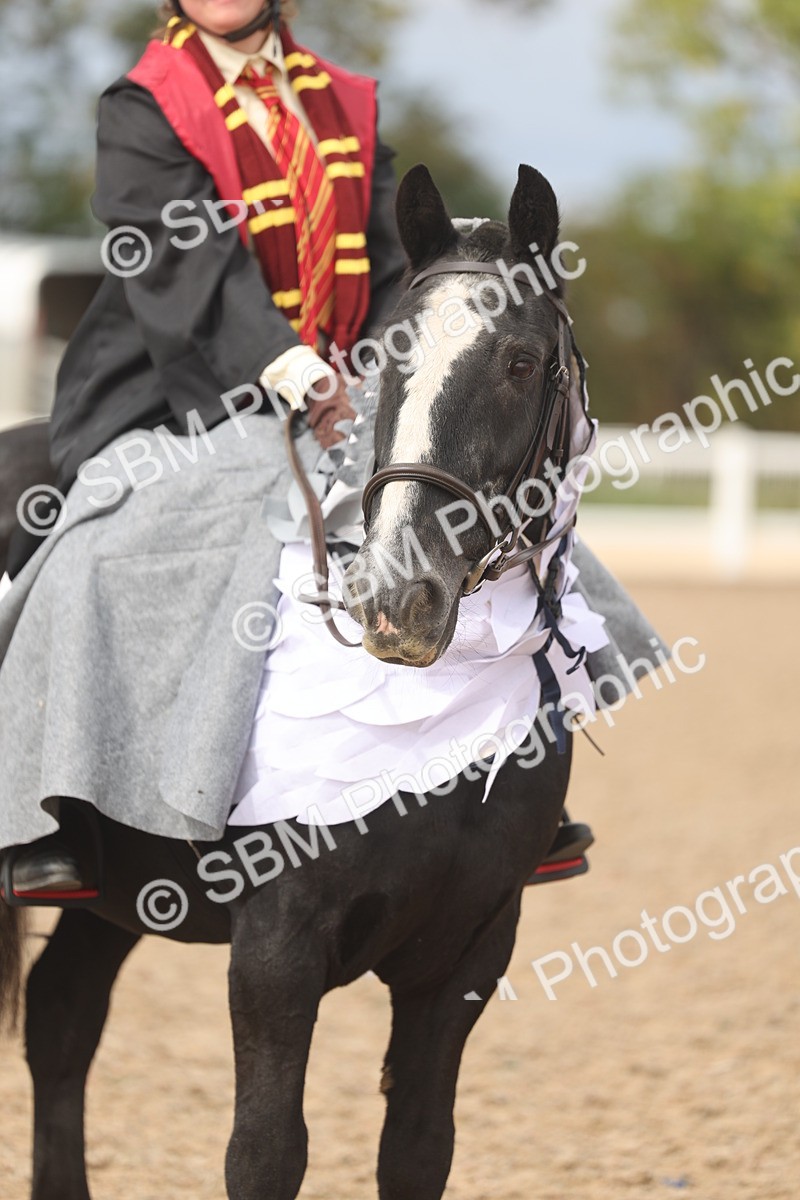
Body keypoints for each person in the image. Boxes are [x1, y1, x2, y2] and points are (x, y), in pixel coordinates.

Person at [0, 0, 652, 897]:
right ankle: (46, 819)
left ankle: (521, 789)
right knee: (91, 556)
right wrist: (291, 365)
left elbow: (394, 263)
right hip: (178, 390)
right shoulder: (145, 103)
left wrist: (423, 337)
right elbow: (183, 264)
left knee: (491, 503)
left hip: (345, 380)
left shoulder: (343, 99)